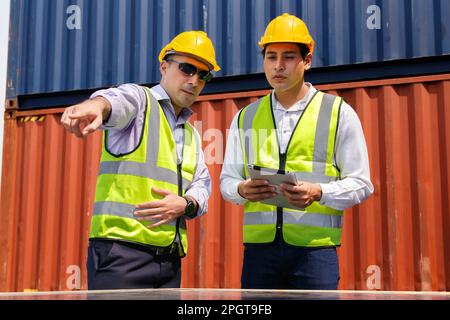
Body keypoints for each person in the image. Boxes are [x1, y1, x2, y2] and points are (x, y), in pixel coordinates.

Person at [220, 13, 373, 290]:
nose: (278, 66)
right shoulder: (245, 117)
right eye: (271, 56)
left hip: (315, 253)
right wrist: (242, 189)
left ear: (307, 60)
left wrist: (319, 192)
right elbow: (227, 181)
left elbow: (362, 184)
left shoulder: (338, 113)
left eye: (289, 57)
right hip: (259, 254)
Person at [61, 31, 220, 290]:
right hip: (121, 257)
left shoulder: (192, 134)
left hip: (169, 262)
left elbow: (202, 186)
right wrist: (96, 106)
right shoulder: (140, 102)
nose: (194, 81)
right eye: (187, 69)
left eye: (203, 75)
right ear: (164, 66)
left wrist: (186, 203)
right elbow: (115, 100)